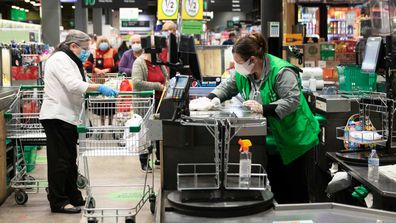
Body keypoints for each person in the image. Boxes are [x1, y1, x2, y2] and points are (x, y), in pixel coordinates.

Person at [202, 32, 320, 204]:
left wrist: (263, 108)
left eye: (239, 62)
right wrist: (210, 99)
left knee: (294, 192)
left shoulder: (281, 71)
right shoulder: (243, 73)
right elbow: (227, 86)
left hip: (293, 138)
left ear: (253, 60)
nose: (237, 66)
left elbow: (292, 100)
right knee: (276, 189)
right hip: (271, 139)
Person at [39, 30, 118, 214]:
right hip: (56, 116)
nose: (87, 52)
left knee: (69, 160)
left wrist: (97, 87)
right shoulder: (59, 59)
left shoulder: (71, 60)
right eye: (84, 48)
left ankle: (72, 195)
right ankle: (58, 201)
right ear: (73, 45)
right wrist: (99, 87)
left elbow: (80, 82)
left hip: (67, 117)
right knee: (59, 162)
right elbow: (73, 85)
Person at [132, 40, 168, 172]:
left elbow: (165, 76)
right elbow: (136, 83)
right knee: (145, 133)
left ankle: (159, 159)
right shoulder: (139, 63)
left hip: (159, 101)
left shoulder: (157, 61)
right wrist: (158, 86)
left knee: (156, 131)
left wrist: (167, 85)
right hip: (145, 103)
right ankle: (144, 161)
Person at [84, 36, 120, 126]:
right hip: (98, 82)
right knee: (101, 104)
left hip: (111, 80)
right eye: (101, 41)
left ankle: (111, 123)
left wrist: (107, 70)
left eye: (105, 41)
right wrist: (95, 69)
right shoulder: (94, 53)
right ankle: (102, 123)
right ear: (98, 43)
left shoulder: (113, 52)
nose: (103, 43)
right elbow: (87, 65)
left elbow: (118, 65)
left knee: (111, 102)